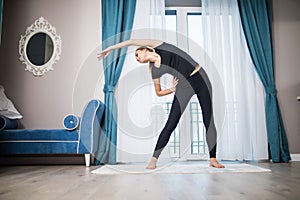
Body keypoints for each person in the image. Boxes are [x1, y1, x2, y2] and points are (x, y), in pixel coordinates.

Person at [98, 39, 224, 169]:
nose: (137, 58)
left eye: (137, 54)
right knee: (171, 123)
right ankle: (153, 160)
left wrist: (111, 48)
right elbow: (158, 92)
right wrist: (171, 89)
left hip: (201, 78)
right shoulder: (155, 70)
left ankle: (213, 159)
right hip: (183, 86)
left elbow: (130, 41)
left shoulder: (159, 46)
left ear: (145, 49)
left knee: (208, 119)